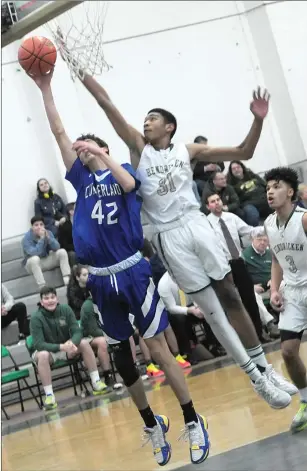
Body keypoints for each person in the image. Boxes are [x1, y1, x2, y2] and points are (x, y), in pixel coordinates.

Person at [76, 68, 293, 410]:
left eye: (152, 118)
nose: (145, 123)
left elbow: (245, 151)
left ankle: (266, 369)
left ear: (169, 126)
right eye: (145, 119)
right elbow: (106, 104)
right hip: (168, 235)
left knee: (231, 296)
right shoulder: (138, 148)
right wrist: (81, 70)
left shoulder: (188, 150)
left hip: (198, 225)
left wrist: (258, 120)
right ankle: (255, 378)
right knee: (212, 310)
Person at [27, 70, 209, 467]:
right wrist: (45, 88)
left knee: (158, 351)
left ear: (104, 149)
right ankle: (151, 423)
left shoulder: (126, 172)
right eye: (85, 150)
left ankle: (193, 419)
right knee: (125, 360)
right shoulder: (80, 179)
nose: (86, 153)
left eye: (94, 148)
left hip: (131, 271)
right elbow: (58, 132)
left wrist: (101, 149)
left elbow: (128, 184)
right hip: (101, 278)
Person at [206, 192, 284, 343]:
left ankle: (259, 333)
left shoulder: (231, 217)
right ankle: (245, 338)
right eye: (212, 201)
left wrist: (266, 228)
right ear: (207, 206)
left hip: (238, 262)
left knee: (250, 299)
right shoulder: (207, 223)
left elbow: (249, 230)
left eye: (218, 200)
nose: (216, 203)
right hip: (223, 265)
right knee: (233, 302)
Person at [264, 167, 307, 433]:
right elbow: (276, 259)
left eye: (276, 186)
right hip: (292, 291)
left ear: (290, 192)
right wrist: (275, 289)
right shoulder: (269, 224)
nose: (270, 191)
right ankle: (306, 401)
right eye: (268, 187)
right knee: (288, 351)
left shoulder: (303, 219)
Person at [30, 286, 107, 410]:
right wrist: (61, 346)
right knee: (42, 355)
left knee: (83, 343)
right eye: (46, 298)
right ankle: (49, 396)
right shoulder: (35, 318)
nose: (50, 301)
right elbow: (39, 344)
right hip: (48, 351)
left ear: (57, 298)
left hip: (67, 347)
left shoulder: (65, 309)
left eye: (52, 297)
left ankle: (96, 381)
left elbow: (77, 331)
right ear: (41, 301)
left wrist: (72, 343)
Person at [80, 296, 123, 390]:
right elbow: (93, 330)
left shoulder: (108, 300)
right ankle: (108, 376)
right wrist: (112, 333)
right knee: (102, 342)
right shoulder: (88, 306)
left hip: (106, 333)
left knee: (127, 334)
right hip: (89, 337)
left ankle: (133, 368)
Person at [242, 234, 280, 339]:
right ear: (252, 240)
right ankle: (270, 324)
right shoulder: (244, 255)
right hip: (255, 290)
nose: (262, 242)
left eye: (265, 240)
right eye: (259, 240)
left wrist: (274, 280)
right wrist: (251, 286)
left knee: (285, 285)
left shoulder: (271, 253)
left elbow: (280, 270)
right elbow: (239, 277)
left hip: (272, 287)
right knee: (252, 294)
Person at [22, 216, 71, 288]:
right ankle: (42, 286)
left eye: (41, 224)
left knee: (62, 252)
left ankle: (67, 279)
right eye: (36, 225)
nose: (39, 227)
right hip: (32, 265)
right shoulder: (26, 238)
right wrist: (42, 239)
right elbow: (35, 253)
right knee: (35, 259)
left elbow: (57, 247)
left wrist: (49, 238)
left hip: (45, 259)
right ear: (32, 227)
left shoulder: (48, 233)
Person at [227, 160, 272, 225]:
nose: (236, 170)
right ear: (231, 172)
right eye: (233, 169)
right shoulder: (231, 185)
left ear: (242, 168)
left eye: (238, 167)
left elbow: (266, 186)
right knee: (252, 217)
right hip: (250, 204)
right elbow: (236, 201)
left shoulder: (253, 176)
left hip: (264, 199)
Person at [58, 202, 77, 267]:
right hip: (70, 249)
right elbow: (64, 244)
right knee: (73, 255)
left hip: (82, 248)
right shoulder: (64, 226)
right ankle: (76, 273)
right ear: (71, 212)